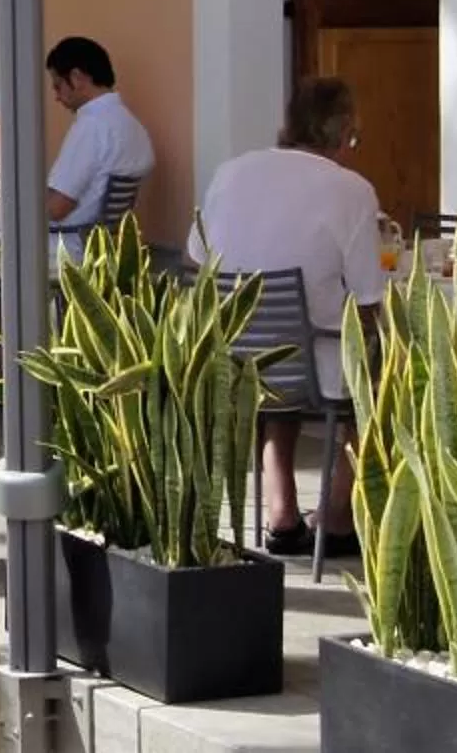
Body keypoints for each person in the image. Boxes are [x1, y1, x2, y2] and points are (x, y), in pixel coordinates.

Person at [189, 77, 386, 558]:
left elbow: (198, 258)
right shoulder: (352, 190)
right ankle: (338, 516)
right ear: (342, 135)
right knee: (380, 374)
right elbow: (367, 298)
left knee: (282, 365)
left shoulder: (230, 172)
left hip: (234, 361)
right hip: (312, 362)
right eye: (353, 140)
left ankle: (282, 513)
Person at [38, 36, 154, 258]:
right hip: (103, 246)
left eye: (58, 85)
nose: (56, 96)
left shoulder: (92, 127)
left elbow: (57, 208)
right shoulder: (132, 125)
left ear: (77, 77)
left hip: (67, 245)